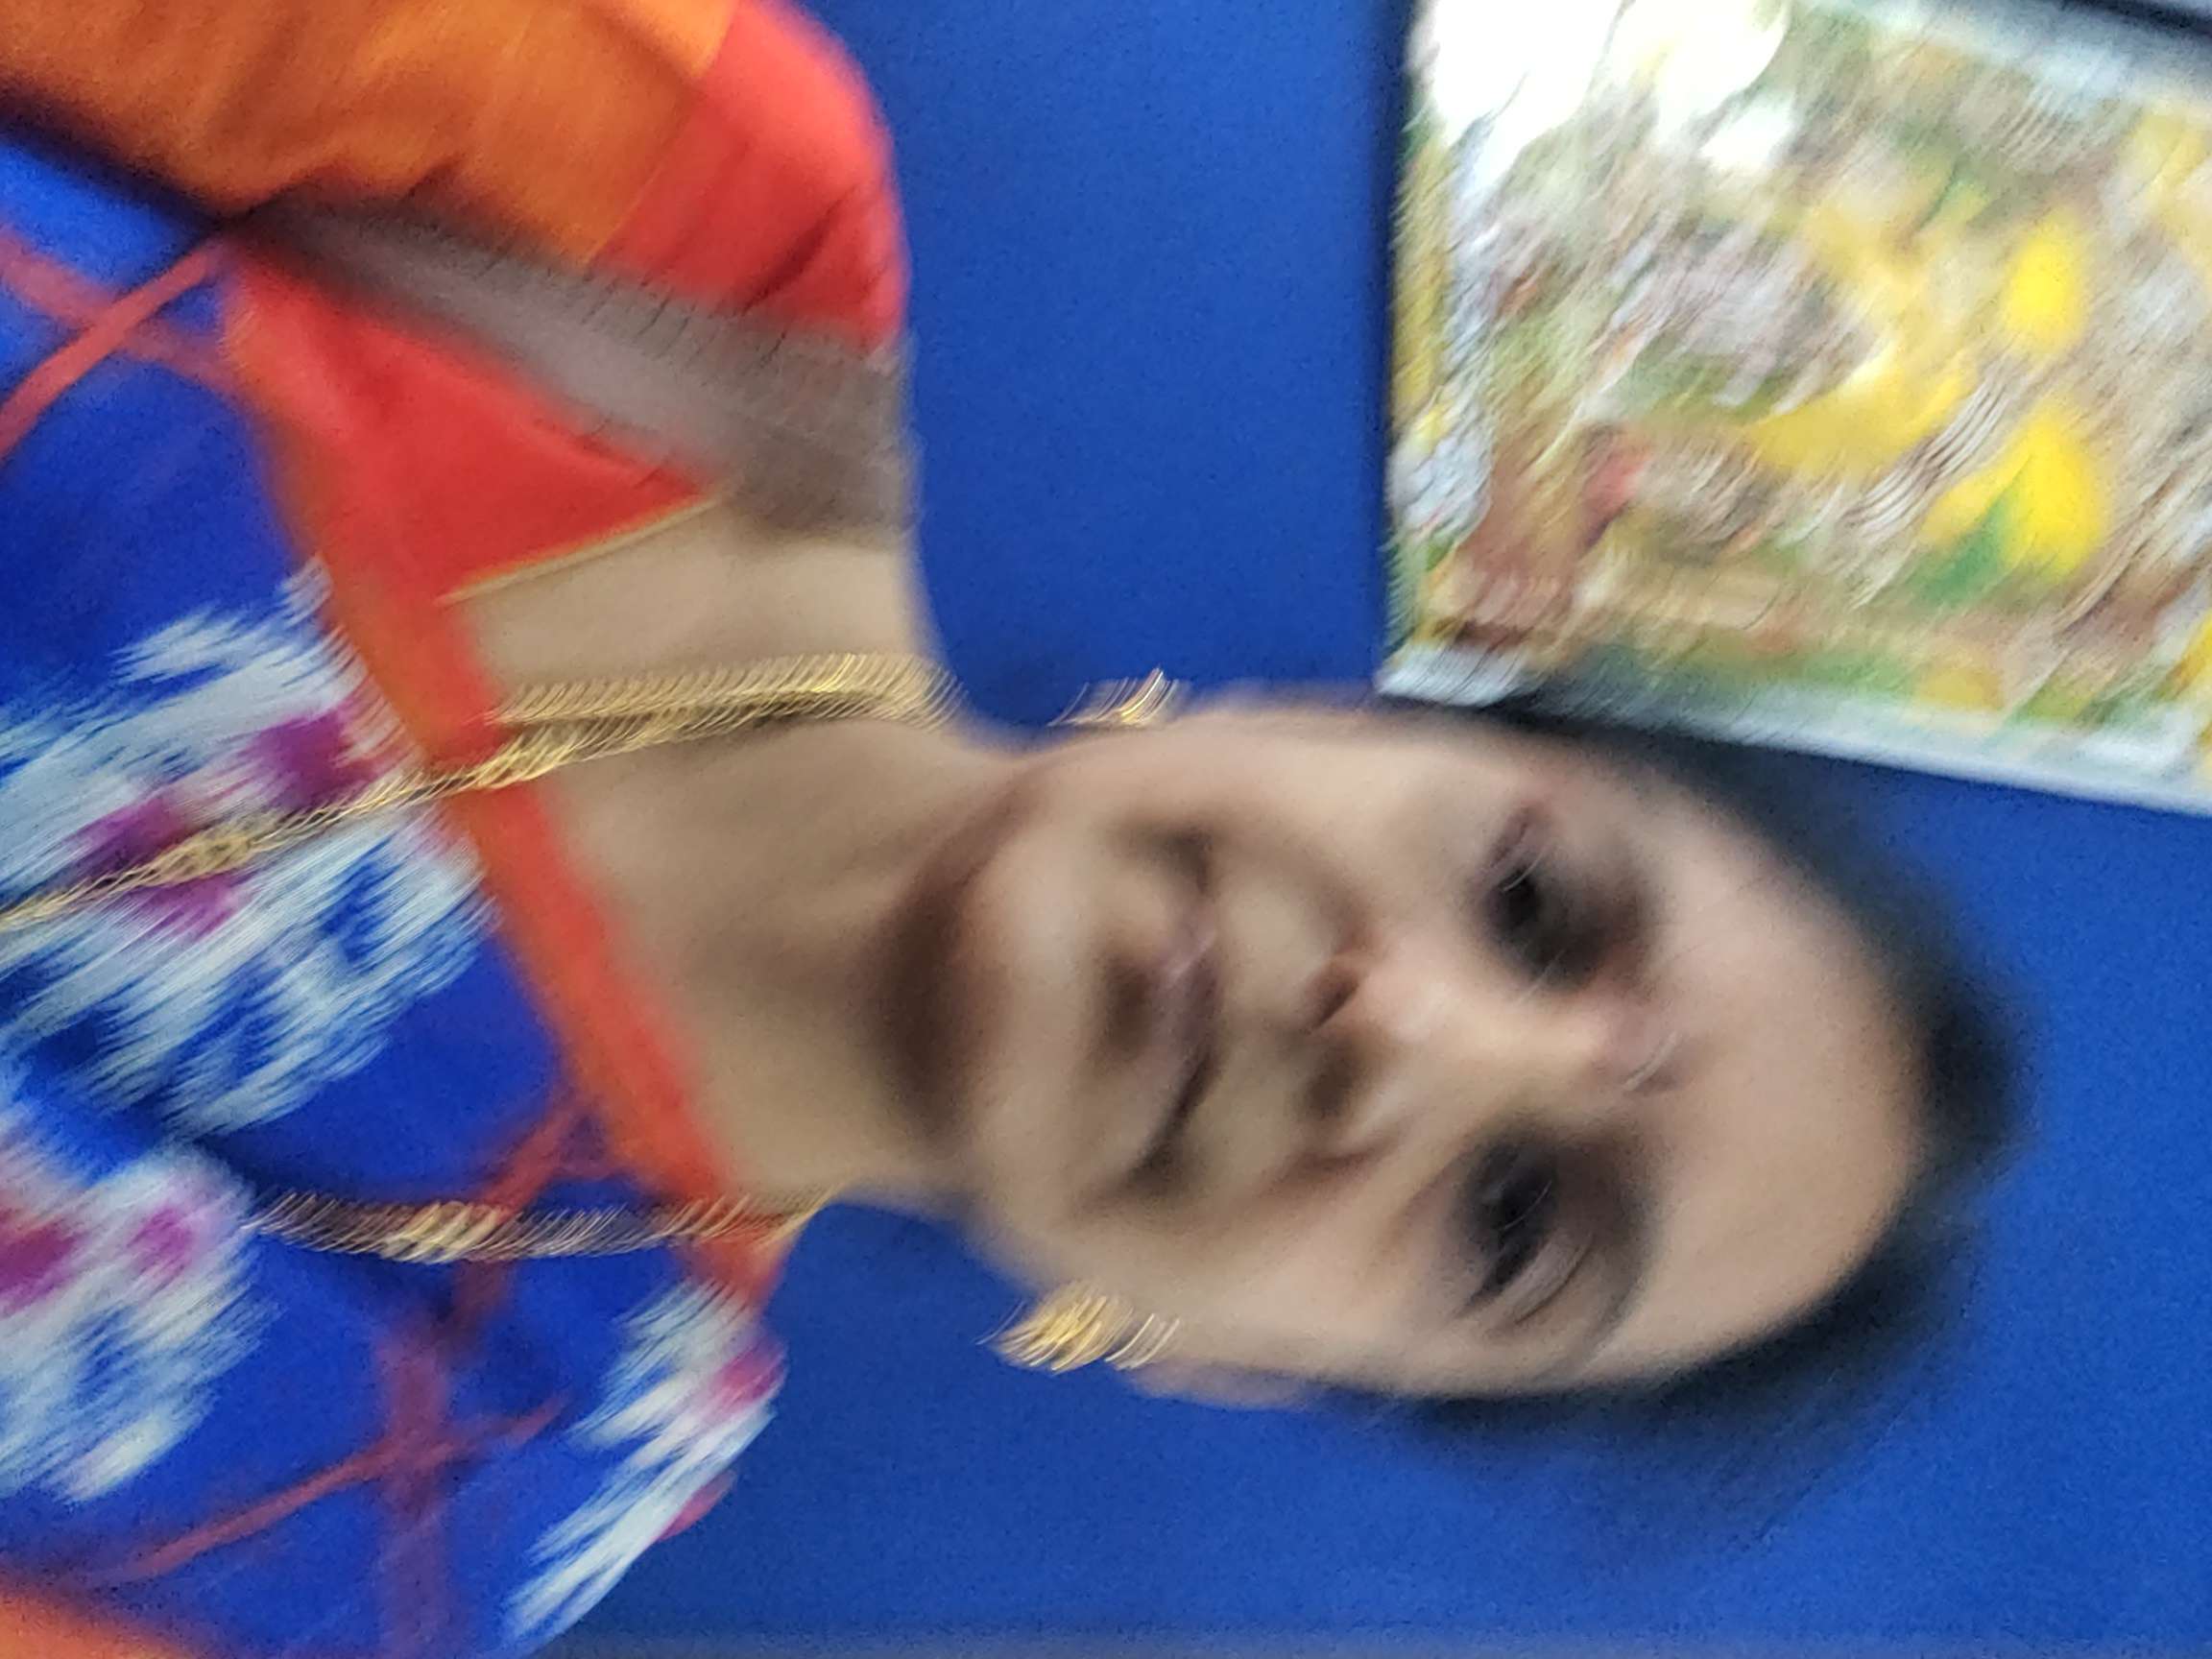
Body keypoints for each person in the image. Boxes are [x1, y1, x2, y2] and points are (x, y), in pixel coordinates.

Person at [0, 0, 2006, 1653]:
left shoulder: (452, 1502)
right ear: (1328, 719)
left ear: (1228, 1361)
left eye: (1511, 1222)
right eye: (1533, 902)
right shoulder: (690, 212)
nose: (1400, 1031)